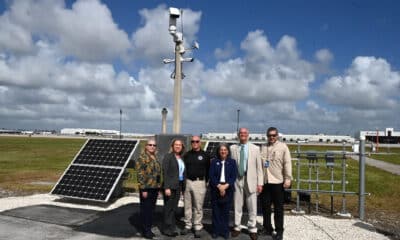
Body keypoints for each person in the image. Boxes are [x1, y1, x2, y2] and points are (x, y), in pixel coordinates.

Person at [230, 128, 263, 240]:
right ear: (238, 135)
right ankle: (237, 226)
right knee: (237, 204)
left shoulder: (255, 148)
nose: (243, 135)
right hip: (237, 179)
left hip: (251, 179)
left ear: (248, 135)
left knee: (252, 205)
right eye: (241, 133)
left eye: (245, 133)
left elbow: (259, 168)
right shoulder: (233, 148)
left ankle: (252, 228)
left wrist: (260, 183)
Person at [260, 127, 292, 240]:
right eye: (269, 135)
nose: (271, 137)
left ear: (277, 135)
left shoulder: (283, 147)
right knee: (265, 207)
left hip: (278, 181)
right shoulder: (263, 147)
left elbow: (287, 163)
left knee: (278, 209)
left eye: (273, 135)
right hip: (265, 182)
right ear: (267, 136)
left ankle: (279, 231)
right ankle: (267, 228)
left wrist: (288, 178)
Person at [181, 136, 210, 238]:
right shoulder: (187, 155)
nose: (195, 143)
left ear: (200, 143)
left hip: (199, 182)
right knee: (187, 205)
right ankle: (188, 225)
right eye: (193, 141)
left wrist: (206, 182)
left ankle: (197, 226)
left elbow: (209, 169)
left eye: (197, 141)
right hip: (188, 182)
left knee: (198, 206)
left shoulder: (205, 155)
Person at [209, 143, 237, 239]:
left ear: (228, 151)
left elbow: (233, 176)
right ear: (218, 151)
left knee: (225, 212)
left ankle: (225, 231)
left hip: (228, 189)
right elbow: (211, 176)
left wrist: (225, 186)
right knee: (216, 211)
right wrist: (219, 186)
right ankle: (216, 231)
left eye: (225, 150)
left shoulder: (232, 162)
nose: (223, 151)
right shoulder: (214, 162)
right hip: (216, 188)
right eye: (221, 150)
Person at [135, 139, 162, 239]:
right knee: (145, 210)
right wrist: (143, 189)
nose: (152, 147)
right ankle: (145, 230)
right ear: (146, 146)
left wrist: (159, 186)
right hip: (146, 188)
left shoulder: (155, 158)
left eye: (154, 145)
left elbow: (158, 174)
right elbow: (140, 174)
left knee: (151, 210)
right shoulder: (142, 158)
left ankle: (148, 228)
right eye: (150, 145)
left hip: (154, 188)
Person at [162, 139, 186, 237]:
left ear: (182, 147)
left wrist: (183, 188)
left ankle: (171, 228)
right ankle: (166, 229)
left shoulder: (181, 158)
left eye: (179, 145)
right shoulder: (168, 157)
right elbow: (165, 172)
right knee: (168, 208)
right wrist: (166, 187)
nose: (178, 146)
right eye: (176, 144)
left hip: (178, 186)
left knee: (173, 208)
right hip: (170, 186)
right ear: (172, 146)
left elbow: (183, 173)